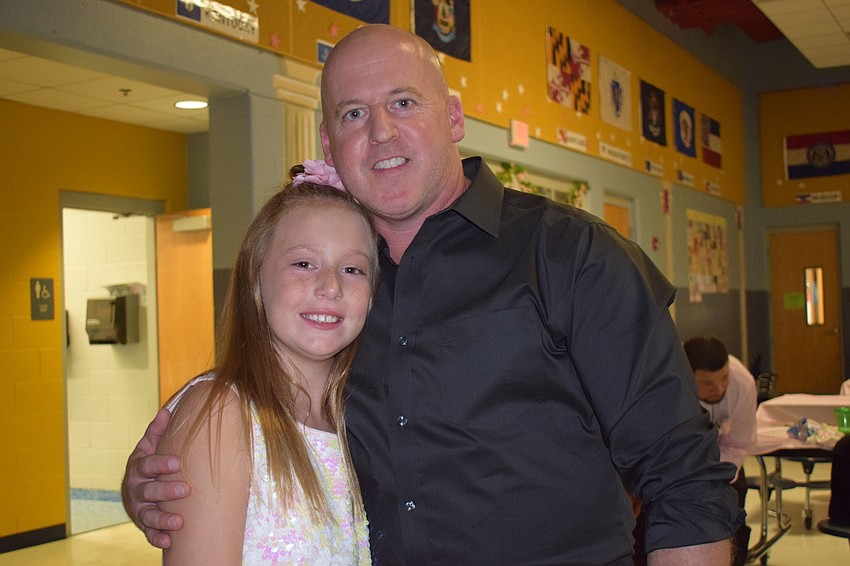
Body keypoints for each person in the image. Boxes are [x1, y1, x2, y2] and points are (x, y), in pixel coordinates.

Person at [123, 24, 742, 564]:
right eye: (353, 114)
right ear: (327, 144)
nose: (381, 131)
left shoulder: (572, 256)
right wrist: (156, 483)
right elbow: (261, 415)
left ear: (452, 117)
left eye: (403, 101)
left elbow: (684, 479)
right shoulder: (336, 291)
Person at [154, 165, 379, 564]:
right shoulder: (222, 415)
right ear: (256, 279)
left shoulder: (358, 417)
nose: (331, 286)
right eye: (304, 264)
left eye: (352, 269)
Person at [684, 336, 757, 566]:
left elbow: (738, 444)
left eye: (724, 378)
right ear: (687, 375)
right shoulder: (670, 386)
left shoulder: (742, 382)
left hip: (725, 458)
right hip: (682, 460)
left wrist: (718, 476)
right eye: (707, 383)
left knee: (733, 508)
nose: (719, 389)